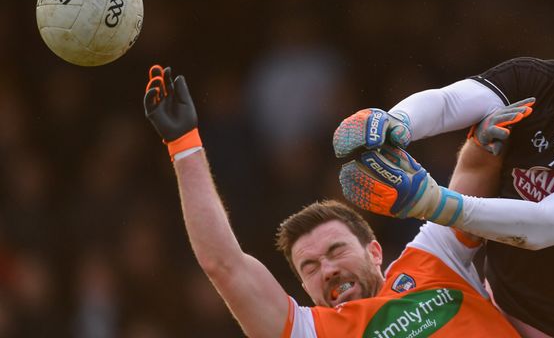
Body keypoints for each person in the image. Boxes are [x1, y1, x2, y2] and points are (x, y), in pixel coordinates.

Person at [334, 1, 554, 337]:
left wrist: (432, 202)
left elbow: (544, 225)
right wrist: (397, 121)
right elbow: (450, 102)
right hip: (492, 308)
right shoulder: (537, 80)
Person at [142, 64, 522, 337]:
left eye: (336, 250)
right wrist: (184, 146)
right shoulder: (313, 332)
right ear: (306, 290)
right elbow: (224, 265)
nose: (326, 270)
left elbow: (470, 183)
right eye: (309, 267)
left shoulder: (433, 259)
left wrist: (481, 145)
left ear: (375, 251)